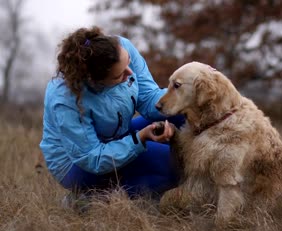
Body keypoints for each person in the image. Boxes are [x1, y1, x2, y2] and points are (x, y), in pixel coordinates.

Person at [39, 26, 183, 203]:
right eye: (119, 75)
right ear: (94, 80)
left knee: (184, 112)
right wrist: (139, 139)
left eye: (128, 63)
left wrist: (187, 97)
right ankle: (93, 199)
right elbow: (92, 157)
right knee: (174, 161)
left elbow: (149, 98)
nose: (130, 74)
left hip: (115, 134)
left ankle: (135, 185)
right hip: (77, 163)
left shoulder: (120, 49)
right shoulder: (66, 98)